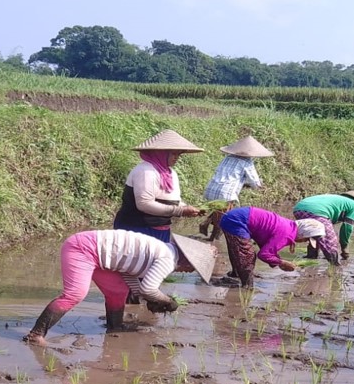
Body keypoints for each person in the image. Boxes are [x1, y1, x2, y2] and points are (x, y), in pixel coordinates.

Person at [23, 230, 216, 345]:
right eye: (193, 267)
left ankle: (115, 326)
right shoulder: (167, 259)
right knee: (75, 294)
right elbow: (149, 288)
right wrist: (168, 301)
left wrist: (148, 297)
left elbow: (128, 273)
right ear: (187, 261)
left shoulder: (164, 250)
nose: (191, 271)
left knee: (118, 291)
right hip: (82, 248)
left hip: (97, 255)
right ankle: (36, 335)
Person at [112, 129, 205, 243]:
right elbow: (144, 204)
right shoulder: (145, 171)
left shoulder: (171, 173)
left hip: (161, 229)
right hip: (137, 228)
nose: (176, 157)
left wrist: (189, 209)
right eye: (173, 154)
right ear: (161, 153)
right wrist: (180, 211)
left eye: (179, 154)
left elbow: (173, 200)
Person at [211, 207, 336, 288]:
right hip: (237, 221)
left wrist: (275, 261)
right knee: (247, 255)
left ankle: (235, 274)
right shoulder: (286, 234)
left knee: (238, 250)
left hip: (234, 217)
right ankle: (247, 286)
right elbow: (263, 254)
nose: (304, 242)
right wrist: (282, 262)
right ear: (303, 234)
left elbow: (265, 245)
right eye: (306, 239)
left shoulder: (289, 227)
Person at [198, 135, 273, 239]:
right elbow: (256, 183)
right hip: (225, 193)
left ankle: (207, 226)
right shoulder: (247, 162)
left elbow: (228, 175)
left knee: (220, 212)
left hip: (211, 189)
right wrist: (259, 186)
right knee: (226, 218)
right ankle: (214, 239)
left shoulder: (227, 158)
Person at [292, 190, 354, 260]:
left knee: (315, 232)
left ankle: (312, 256)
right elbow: (347, 228)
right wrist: (345, 248)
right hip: (317, 211)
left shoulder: (341, 201)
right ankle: (334, 265)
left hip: (298, 208)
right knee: (331, 240)